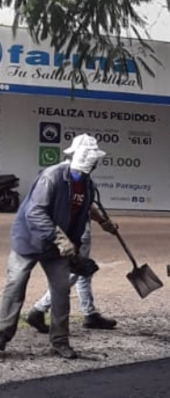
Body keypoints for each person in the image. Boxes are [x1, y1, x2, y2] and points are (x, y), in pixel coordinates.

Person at [0, 135, 117, 359]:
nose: (90, 165)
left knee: (61, 291)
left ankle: (60, 341)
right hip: (30, 241)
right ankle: (2, 336)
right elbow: (34, 213)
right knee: (15, 288)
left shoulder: (87, 184)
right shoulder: (51, 177)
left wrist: (103, 222)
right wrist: (61, 239)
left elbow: (85, 206)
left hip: (57, 247)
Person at [25, 137, 119, 333]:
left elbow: (88, 204)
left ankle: (90, 313)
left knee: (84, 274)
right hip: (72, 233)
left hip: (79, 230)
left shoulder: (85, 180)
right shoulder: (60, 176)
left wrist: (103, 222)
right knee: (75, 273)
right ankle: (39, 309)